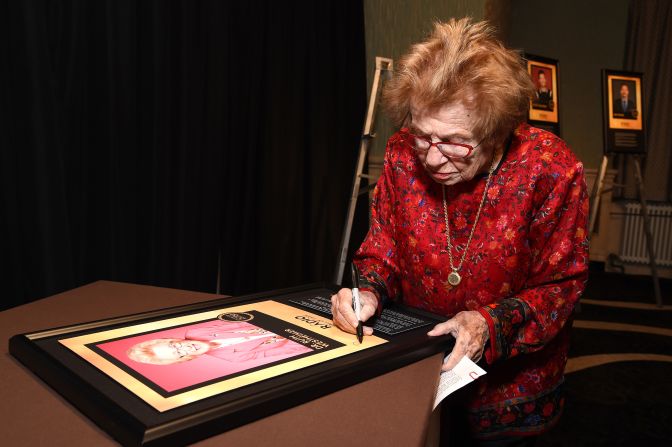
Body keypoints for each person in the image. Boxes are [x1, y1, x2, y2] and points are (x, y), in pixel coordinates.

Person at [331, 18, 588, 446]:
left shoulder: (551, 170)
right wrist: (369, 291)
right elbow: (382, 249)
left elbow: (561, 285)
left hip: (511, 391)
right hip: (417, 364)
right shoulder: (401, 154)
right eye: (422, 135)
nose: (431, 158)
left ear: (497, 130)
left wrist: (488, 324)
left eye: (454, 141)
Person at [127, 321, 310, 364]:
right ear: (185, 359)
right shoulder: (233, 358)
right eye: (179, 353)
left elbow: (243, 318)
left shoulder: (195, 332)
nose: (184, 348)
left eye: (174, 345)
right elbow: (286, 351)